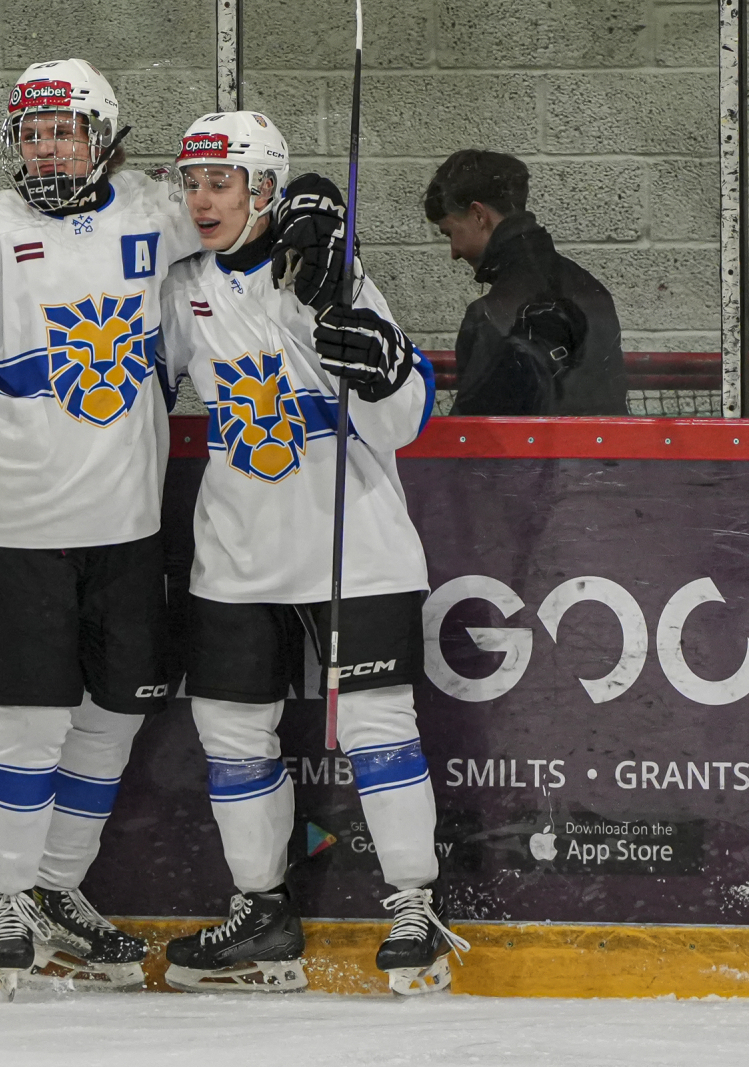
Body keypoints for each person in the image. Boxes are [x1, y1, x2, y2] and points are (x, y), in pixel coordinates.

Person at [0, 58, 202, 996]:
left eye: (63, 131)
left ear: (104, 136)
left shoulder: (156, 209)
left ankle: (55, 888)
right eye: (31, 134)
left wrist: (310, 210)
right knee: (29, 725)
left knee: (112, 716)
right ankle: (6, 897)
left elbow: (241, 208)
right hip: (10, 526)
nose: (45, 149)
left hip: (126, 522)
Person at [158, 111, 467, 996]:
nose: (202, 199)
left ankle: (414, 905)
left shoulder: (332, 273)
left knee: (378, 726)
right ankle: (263, 915)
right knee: (230, 734)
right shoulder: (182, 288)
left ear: (265, 189)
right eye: (193, 182)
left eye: (222, 183)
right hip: (235, 548)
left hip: (353, 539)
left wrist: (385, 365)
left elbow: (403, 419)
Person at [424, 149, 626, 415]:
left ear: (478, 215)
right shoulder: (593, 290)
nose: (454, 252)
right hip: (604, 443)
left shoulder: (489, 315)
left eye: (450, 233)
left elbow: (475, 433)